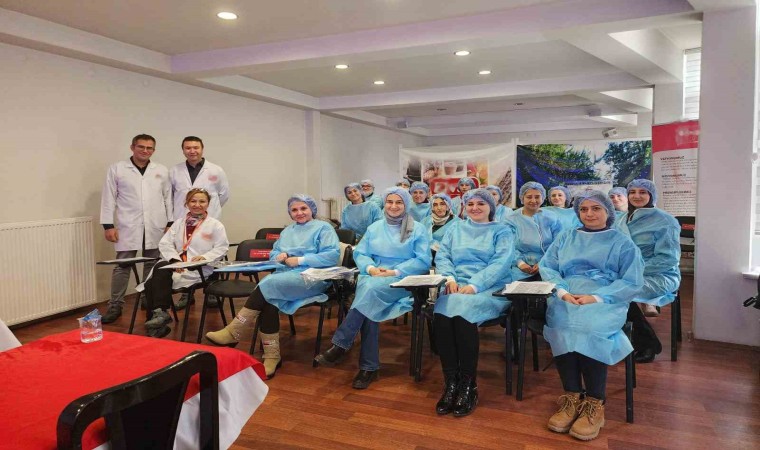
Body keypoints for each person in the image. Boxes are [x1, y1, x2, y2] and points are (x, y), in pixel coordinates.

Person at [539, 190, 644, 441]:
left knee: (588, 327)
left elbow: (631, 280)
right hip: (567, 294)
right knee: (562, 326)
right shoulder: (566, 237)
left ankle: (595, 402)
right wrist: (561, 291)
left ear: (608, 211)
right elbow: (548, 267)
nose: (589, 214)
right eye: (584, 209)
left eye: (596, 208)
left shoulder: (621, 242)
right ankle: (572, 396)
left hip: (607, 298)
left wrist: (596, 297)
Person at [206, 195, 340, 378]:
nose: (299, 213)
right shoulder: (288, 231)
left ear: (312, 210)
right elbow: (274, 251)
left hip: (313, 277)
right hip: (285, 276)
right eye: (294, 210)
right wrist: (278, 256)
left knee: (268, 283)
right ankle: (271, 355)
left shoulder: (324, 228)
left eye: (303, 208)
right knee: (270, 301)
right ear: (289, 213)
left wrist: (300, 260)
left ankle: (234, 330)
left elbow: (331, 256)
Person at [314, 187, 431, 389]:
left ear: (406, 205)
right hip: (373, 276)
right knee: (368, 299)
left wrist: (394, 271)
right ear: (384, 204)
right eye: (390, 202)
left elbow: (423, 260)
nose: (393, 206)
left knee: (367, 294)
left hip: (403, 280)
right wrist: (371, 268)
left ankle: (347, 349)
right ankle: (367, 366)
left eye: (399, 202)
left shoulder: (417, 229)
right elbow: (361, 253)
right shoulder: (375, 227)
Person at [432, 189, 514, 417]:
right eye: (470, 204)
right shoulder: (455, 228)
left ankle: (469, 385)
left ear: (491, 207)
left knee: (462, 313)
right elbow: (443, 256)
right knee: (442, 313)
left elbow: (500, 263)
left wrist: (475, 285)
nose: (475, 208)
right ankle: (451, 382)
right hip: (456, 286)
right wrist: (450, 279)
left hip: (490, 288)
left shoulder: (502, 231)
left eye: (481, 204)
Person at [99, 134, 172, 324]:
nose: (145, 151)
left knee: (152, 263)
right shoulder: (117, 169)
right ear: (132, 147)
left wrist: (170, 222)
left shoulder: (161, 170)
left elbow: (168, 198)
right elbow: (109, 197)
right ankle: (115, 305)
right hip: (127, 224)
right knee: (123, 265)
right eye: (141, 147)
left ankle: (148, 298)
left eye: (149, 148)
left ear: (153, 150)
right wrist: (108, 225)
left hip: (156, 224)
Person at [139, 188, 229, 338]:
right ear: (186, 203)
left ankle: (159, 321)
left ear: (208, 204)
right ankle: (160, 317)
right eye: (193, 201)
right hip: (177, 267)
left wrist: (205, 257)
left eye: (202, 201)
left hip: (199, 269)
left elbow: (222, 247)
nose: (197, 205)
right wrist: (175, 260)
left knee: (152, 282)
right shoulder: (178, 223)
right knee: (156, 274)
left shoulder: (215, 225)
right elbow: (165, 243)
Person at [615, 179, 681, 363]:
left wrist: (632, 270)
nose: (636, 196)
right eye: (632, 192)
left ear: (652, 195)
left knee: (618, 292)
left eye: (642, 192)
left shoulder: (666, 221)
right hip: (623, 272)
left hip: (659, 275)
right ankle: (615, 339)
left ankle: (647, 343)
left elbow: (668, 259)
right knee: (597, 287)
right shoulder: (620, 219)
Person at [169, 136, 230, 308]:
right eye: (188, 148)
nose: (192, 151)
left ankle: (212, 292)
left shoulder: (216, 170)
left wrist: (209, 211)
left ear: (202, 149)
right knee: (186, 254)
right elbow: (170, 196)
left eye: (196, 147)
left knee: (212, 255)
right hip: (184, 221)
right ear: (183, 150)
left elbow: (224, 194)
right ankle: (186, 294)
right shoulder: (174, 171)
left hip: (208, 220)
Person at [505, 182, 562, 281]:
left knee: (553, 286)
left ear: (543, 198)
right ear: (522, 198)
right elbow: (507, 246)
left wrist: (543, 262)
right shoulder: (511, 219)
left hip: (549, 263)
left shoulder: (552, 217)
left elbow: (558, 244)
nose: (533, 200)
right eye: (529, 197)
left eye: (537, 197)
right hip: (519, 267)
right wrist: (520, 263)